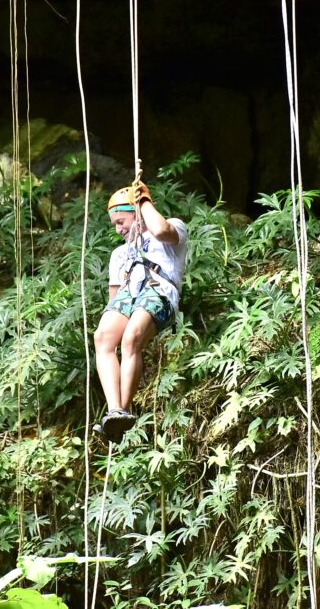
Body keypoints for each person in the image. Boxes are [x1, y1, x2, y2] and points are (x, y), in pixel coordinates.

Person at [93, 181, 188, 443]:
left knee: (131, 338)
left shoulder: (172, 230)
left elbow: (160, 228)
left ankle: (122, 411)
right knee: (103, 338)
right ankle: (115, 410)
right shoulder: (119, 254)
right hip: (130, 294)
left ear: (137, 213)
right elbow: (115, 301)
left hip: (159, 290)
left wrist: (143, 200)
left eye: (121, 221)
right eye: (114, 224)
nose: (118, 228)